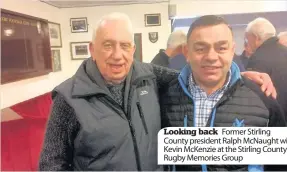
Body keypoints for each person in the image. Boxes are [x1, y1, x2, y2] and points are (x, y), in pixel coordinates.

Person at [39, 13, 278, 171]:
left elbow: (194, 75)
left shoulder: (148, 76)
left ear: (133, 49)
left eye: (124, 46)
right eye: (108, 45)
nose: (117, 55)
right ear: (92, 49)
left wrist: (238, 76)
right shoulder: (68, 98)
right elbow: (51, 163)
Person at [160, 15, 286, 171]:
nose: (212, 57)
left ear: (232, 50)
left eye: (221, 48)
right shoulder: (163, 98)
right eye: (200, 48)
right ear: (187, 52)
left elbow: (279, 164)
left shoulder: (262, 98)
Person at [245, 18, 287, 125]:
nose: (247, 43)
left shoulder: (257, 58)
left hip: (275, 122)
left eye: (247, 39)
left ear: (255, 38)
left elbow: (255, 99)